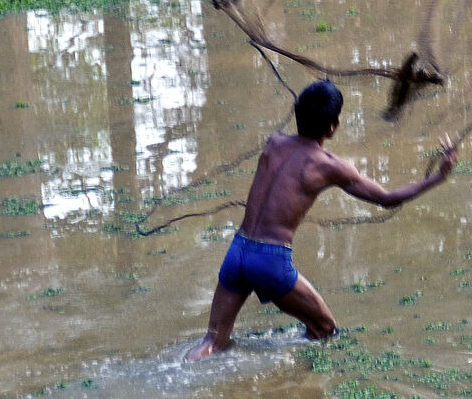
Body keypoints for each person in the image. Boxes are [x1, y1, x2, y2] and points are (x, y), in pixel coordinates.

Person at [188, 78, 456, 355]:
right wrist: (439, 176)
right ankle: (296, 386)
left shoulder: (273, 142)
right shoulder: (329, 167)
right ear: (333, 126)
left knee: (213, 342)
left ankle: (185, 373)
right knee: (326, 330)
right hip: (269, 260)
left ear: (298, 114)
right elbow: (387, 198)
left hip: (238, 250)